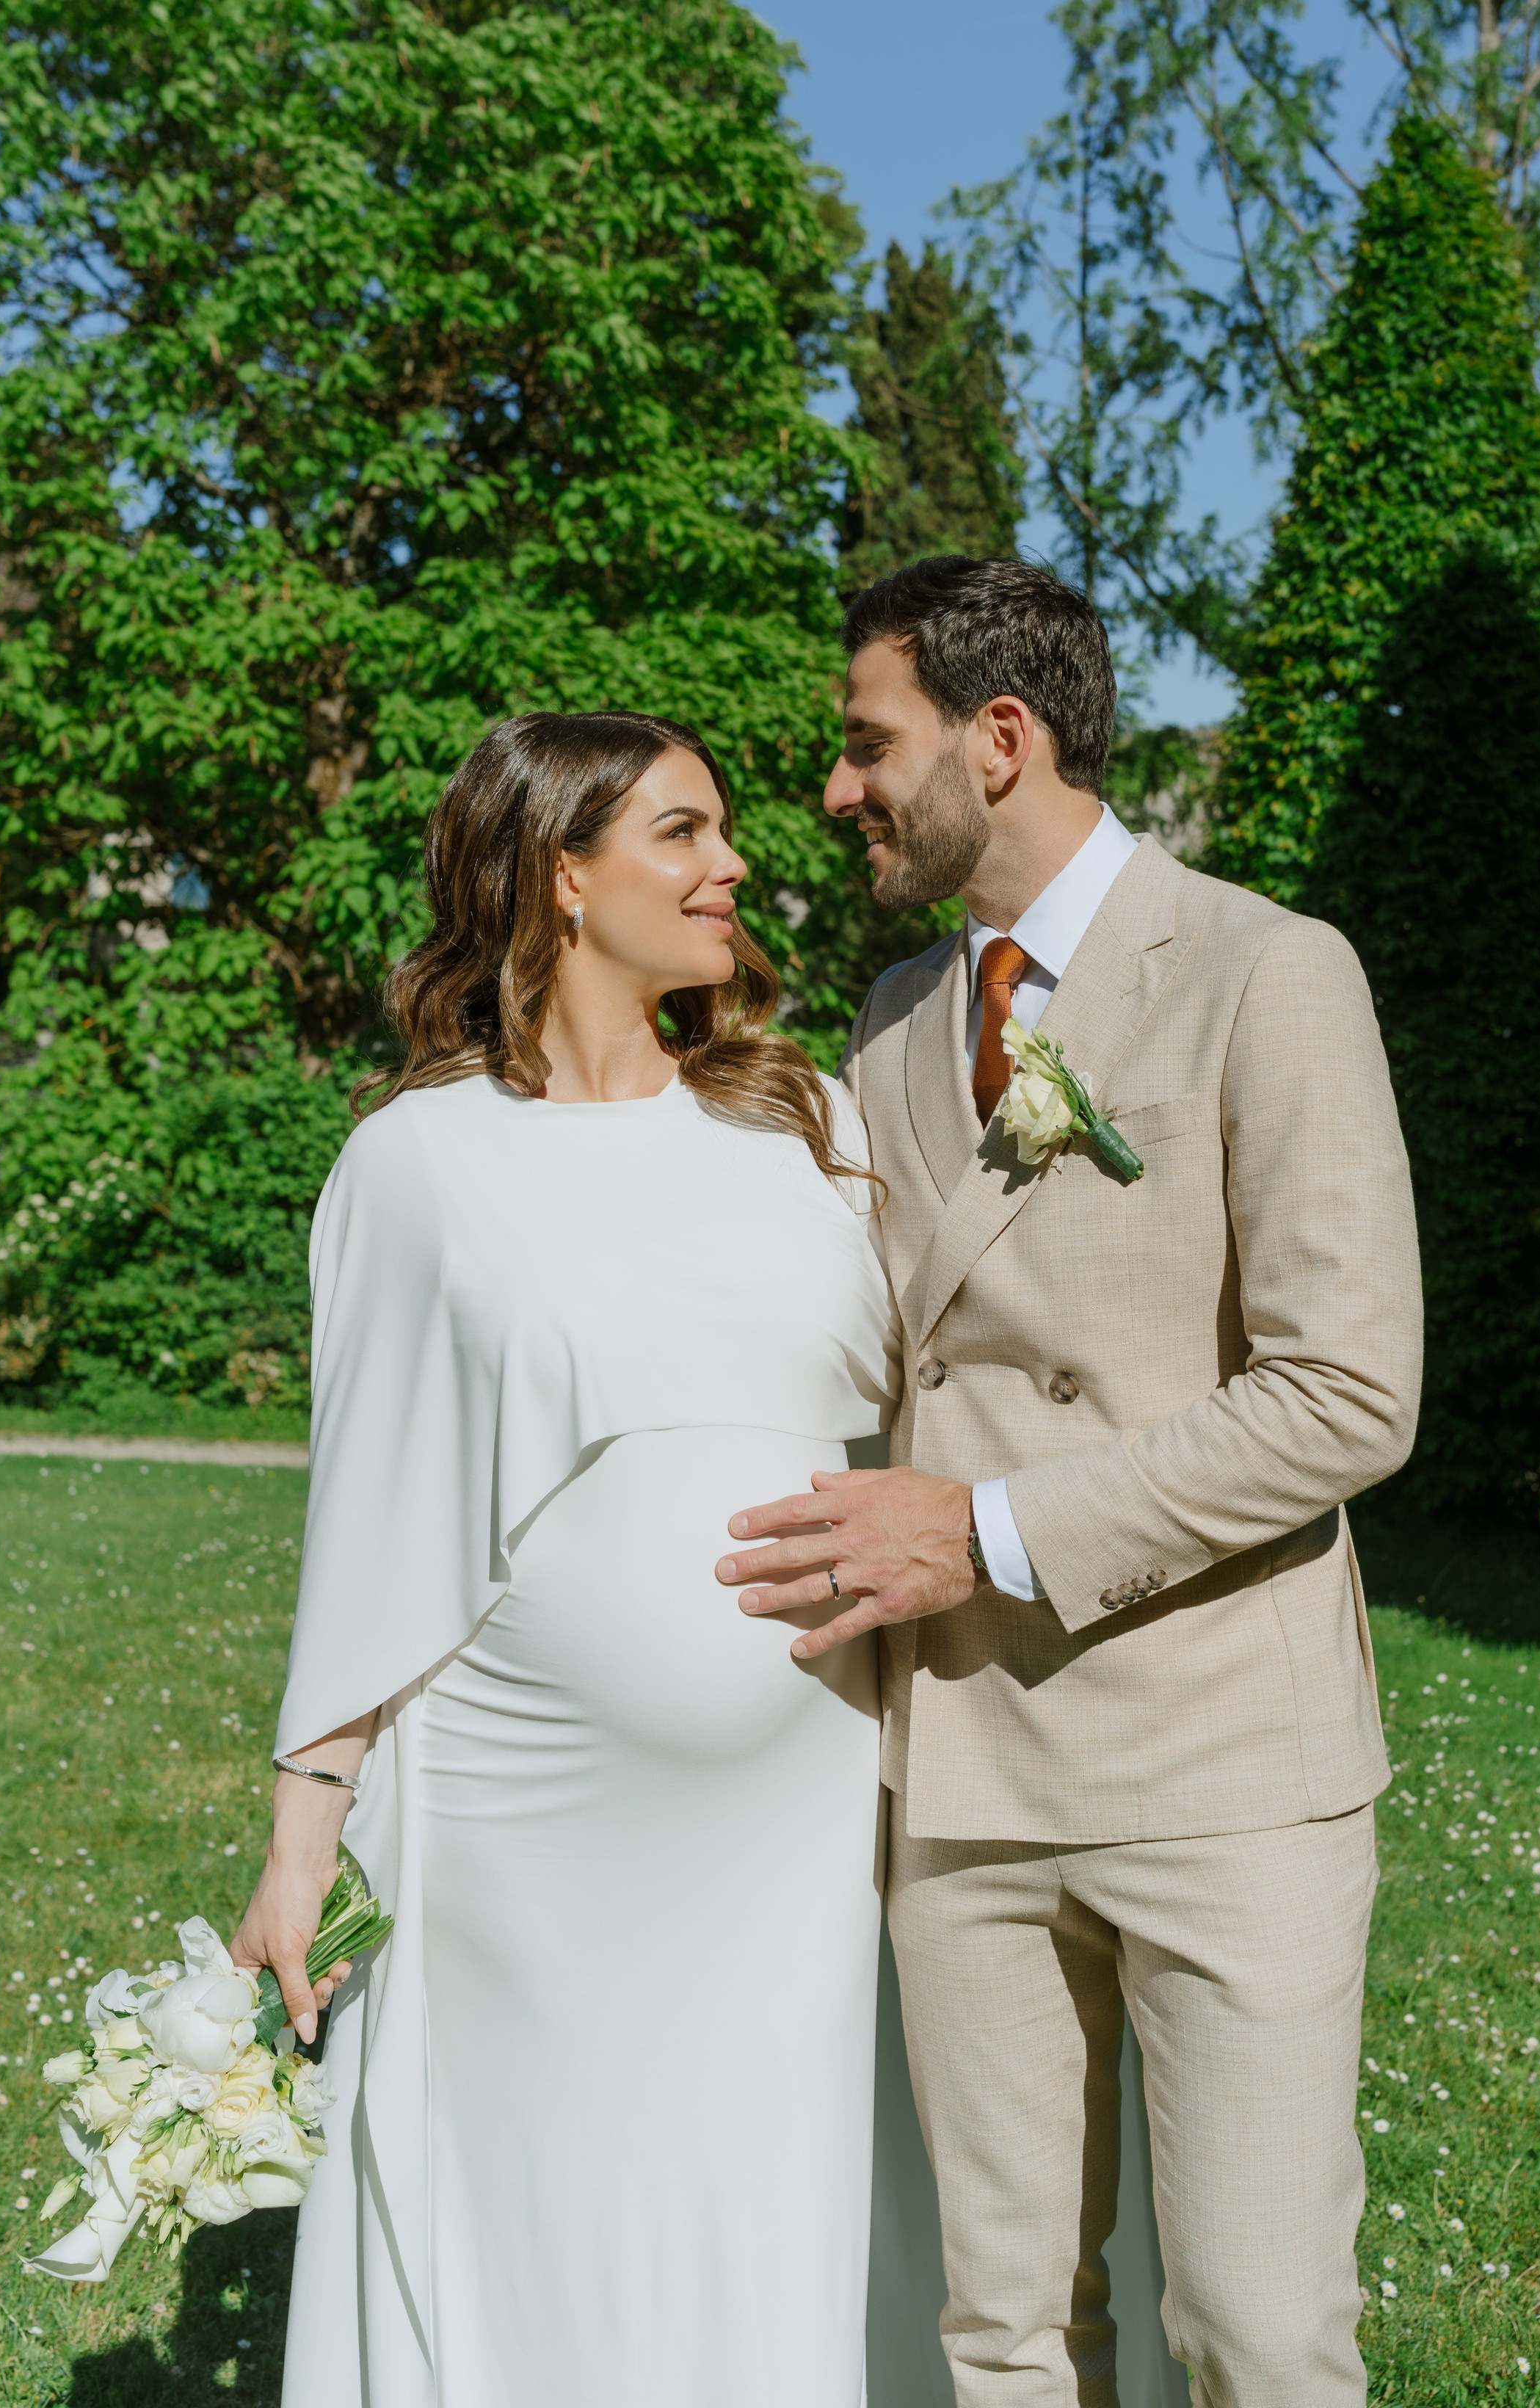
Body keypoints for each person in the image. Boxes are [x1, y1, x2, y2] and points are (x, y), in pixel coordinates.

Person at [719, 556, 1423, 2407]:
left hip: (1222, 1771)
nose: (837, 788)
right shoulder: (882, 1027)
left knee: (1257, 2332)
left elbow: (1347, 1392)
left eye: (868, 744)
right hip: (960, 1769)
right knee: (1007, 2335)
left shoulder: (1271, 974)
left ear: (1000, 740)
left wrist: (983, 1530)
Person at [230, 709, 900, 2408]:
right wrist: (303, 1843)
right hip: (523, 1832)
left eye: (724, 829)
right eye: (681, 832)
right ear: (563, 877)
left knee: (777, 2210)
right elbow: (370, 1516)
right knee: (540, 2234)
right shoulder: (420, 1164)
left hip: (801, 1831)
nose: (732, 863)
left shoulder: (804, 1124)